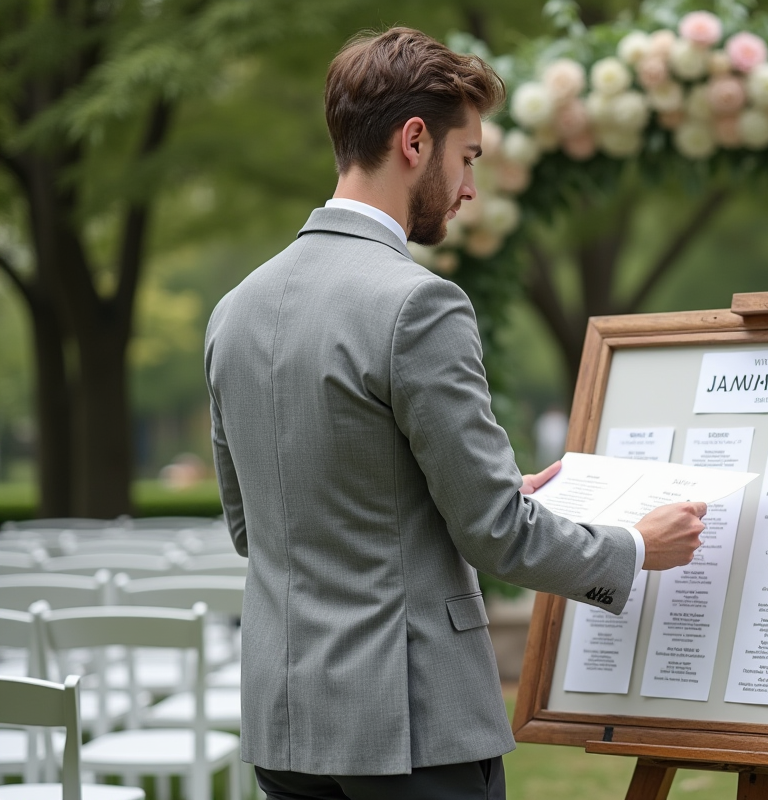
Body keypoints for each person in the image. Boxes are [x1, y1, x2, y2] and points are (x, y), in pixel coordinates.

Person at [203, 26, 707, 800]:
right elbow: (493, 534)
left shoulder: (233, 312)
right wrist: (634, 548)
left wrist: (473, 500)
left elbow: (258, 526)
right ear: (414, 141)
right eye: (467, 156)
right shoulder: (418, 305)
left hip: (285, 724)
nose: (471, 186)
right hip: (410, 725)